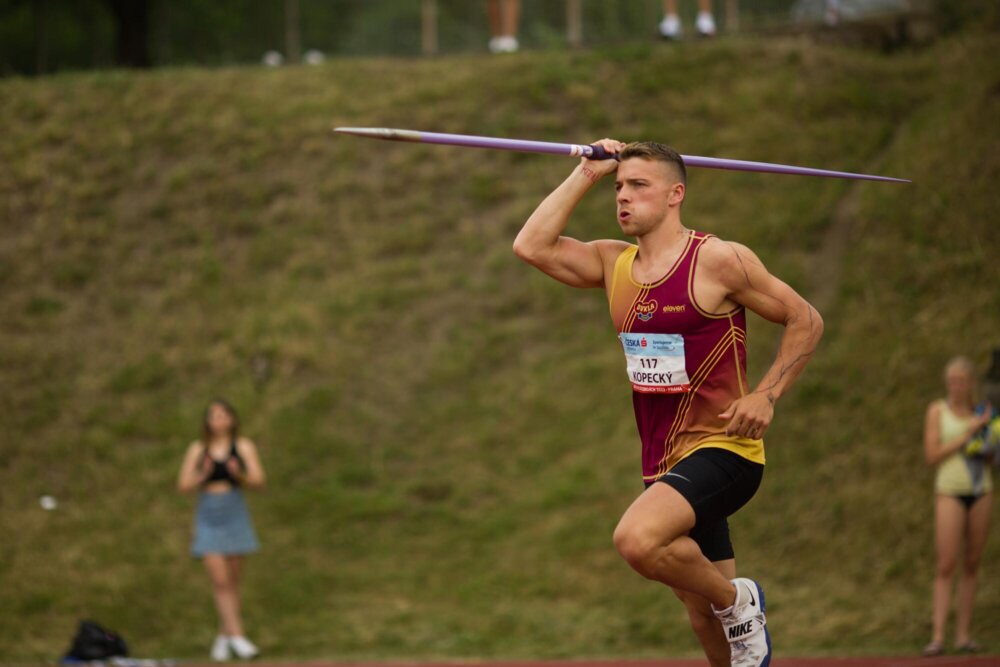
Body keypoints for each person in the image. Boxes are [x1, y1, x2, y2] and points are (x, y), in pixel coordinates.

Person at [513, 139, 823, 666]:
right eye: (617, 187)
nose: (623, 198)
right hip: (662, 459)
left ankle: (741, 602)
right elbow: (532, 246)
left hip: (726, 450)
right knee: (699, 608)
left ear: (676, 194)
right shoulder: (614, 264)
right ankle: (730, 612)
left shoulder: (718, 260)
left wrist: (767, 395)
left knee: (637, 540)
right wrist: (587, 174)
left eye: (638, 186)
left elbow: (806, 319)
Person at [177, 399, 266, 661]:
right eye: (213, 416)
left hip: (234, 510)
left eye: (223, 415)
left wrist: (239, 475)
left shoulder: (243, 446)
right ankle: (238, 637)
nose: (218, 420)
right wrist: (202, 475)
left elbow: (259, 482)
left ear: (232, 419)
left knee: (234, 580)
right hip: (209, 512)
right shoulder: (198, 448)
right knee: (220, 581)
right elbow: (182, 485)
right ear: (207, 421)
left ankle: (223, 636)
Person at [922, 357, 994, 656]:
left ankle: (963, 635)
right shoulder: (938, 410)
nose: (957, 387)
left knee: (972, 563)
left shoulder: (983, 412)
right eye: (952, 381)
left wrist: (987, 436)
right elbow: (932, 454)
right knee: (946, 563)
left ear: (970, 385)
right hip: (949, 490)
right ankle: (938, 636)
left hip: (981, 488)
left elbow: (989, 453)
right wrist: (968, 434)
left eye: (962, 382)